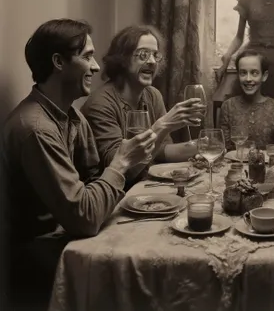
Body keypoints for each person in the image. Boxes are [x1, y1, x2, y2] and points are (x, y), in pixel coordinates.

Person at [1, 19, 157, 308]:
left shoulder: (72, 116)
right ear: (58, 62)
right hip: (37, 261)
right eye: (87, 56)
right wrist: (121, 163)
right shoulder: (36, 129)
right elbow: (84, 216)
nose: (96, 67)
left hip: (69, 239)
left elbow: (94, 181)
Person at [81, 25, 205, 188]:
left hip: (146, 185)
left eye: (155, 55)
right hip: (118, 196)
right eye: (143, 54)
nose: (152, 62)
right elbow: (124, 171)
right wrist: (164, 125)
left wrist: (200, 147)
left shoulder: (153, 95)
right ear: (123, 59)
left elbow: (160, 150)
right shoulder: (100, 104)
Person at [219, 49, 274, 151]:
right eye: (243, 73)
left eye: (254, 73)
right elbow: (224, 149)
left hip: (267, 165)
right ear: (238, 75)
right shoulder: (228, 106)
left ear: (264, 76)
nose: (248, 79)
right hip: (235, 164)